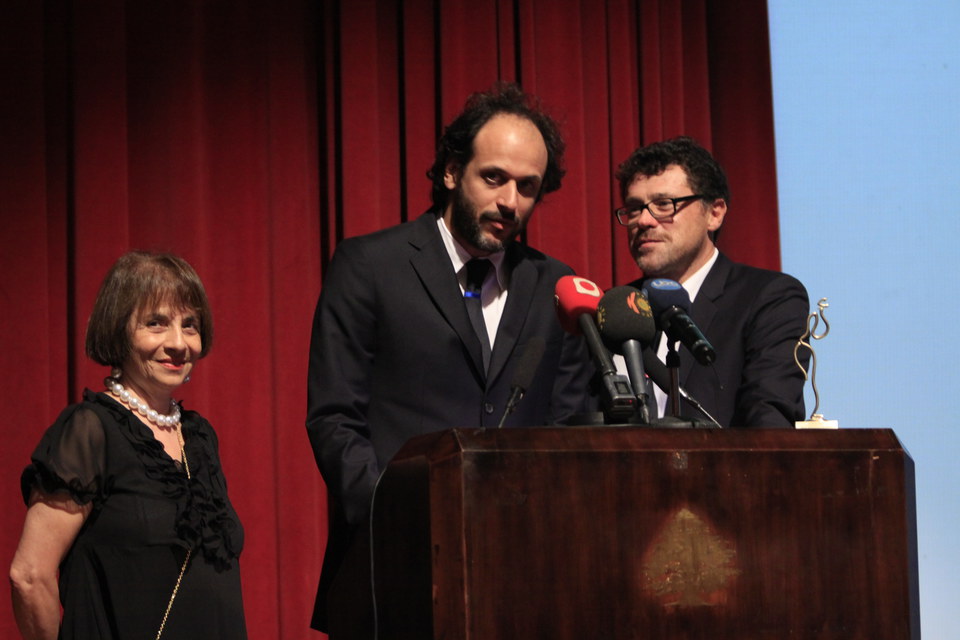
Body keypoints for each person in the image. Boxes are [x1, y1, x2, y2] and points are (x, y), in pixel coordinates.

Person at [306, 83, 593, 633]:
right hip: (389, 575)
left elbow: (566, 431)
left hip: (519, 585)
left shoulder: (556, 285)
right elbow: (335, 418)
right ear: (450, 172)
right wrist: (400, 519)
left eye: (527, 186)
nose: (510, 201)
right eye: (494, 177)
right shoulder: (370, 265)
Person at [9, 252, 246, 640]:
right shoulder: (89, 430)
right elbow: (29, 577)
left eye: (190, 325)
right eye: (156, 323)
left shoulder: (199, 437)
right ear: (118, 331)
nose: (178, 343)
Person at [614, 136, 809, 428]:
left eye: (664, 204)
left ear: (714, 213)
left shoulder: (768, 298)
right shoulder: (613, 311)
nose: (643, 220)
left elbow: (769, 422)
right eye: (634, 208)